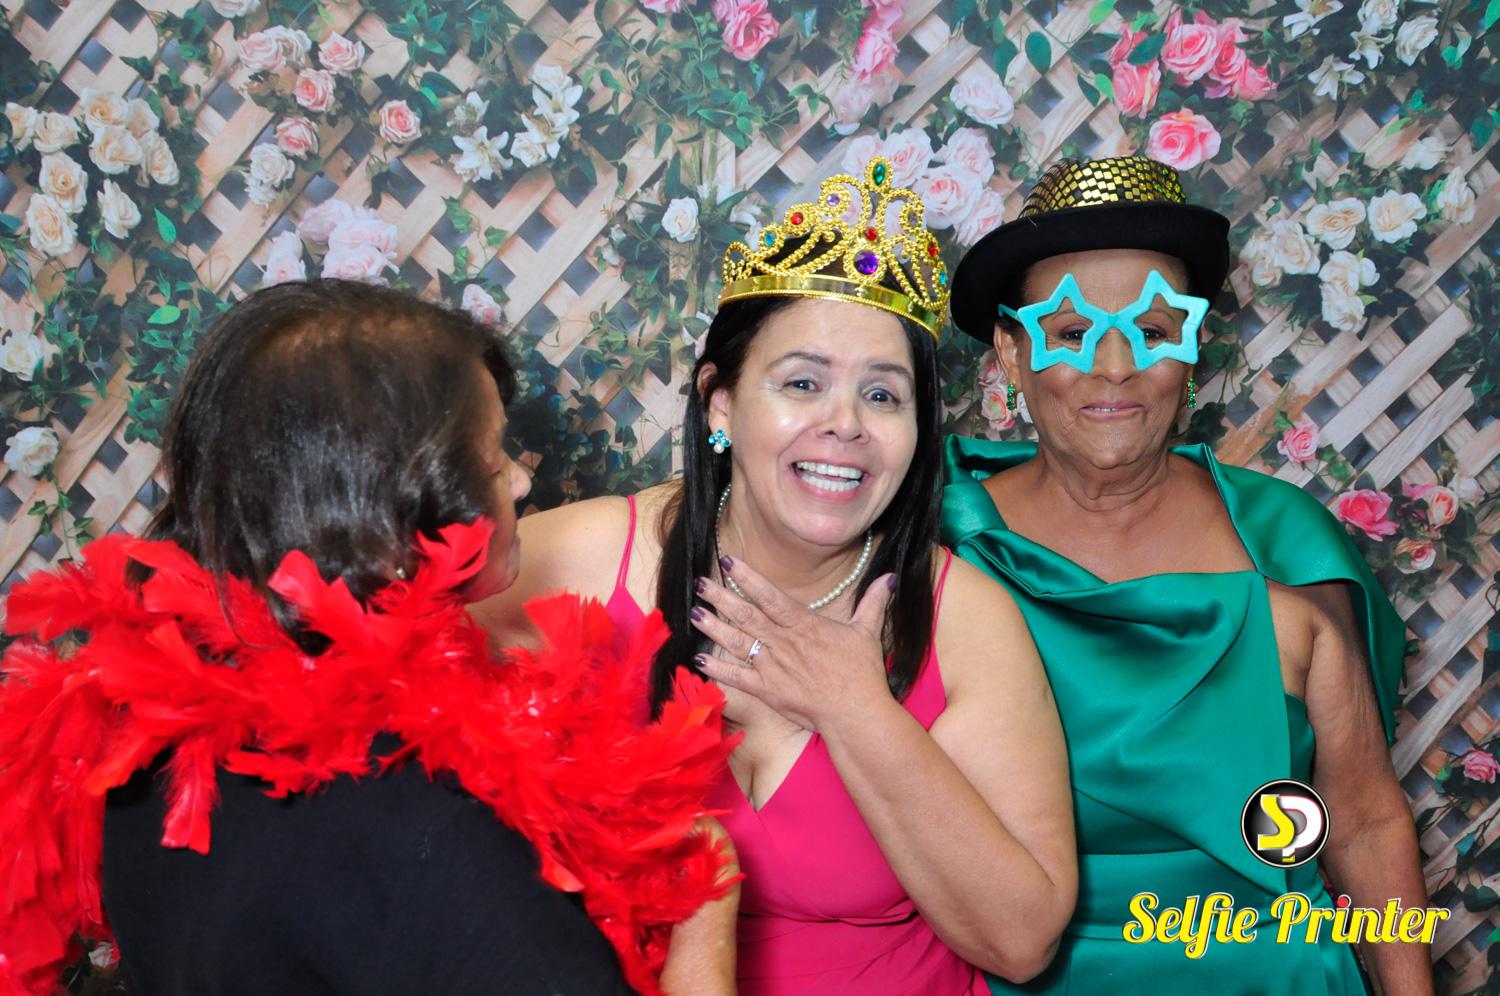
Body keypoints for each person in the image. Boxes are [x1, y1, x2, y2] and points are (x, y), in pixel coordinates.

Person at [0, 279, 739, 996]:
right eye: (490, 457)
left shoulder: (143, 735)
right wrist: (705, 914)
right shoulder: (429, 823)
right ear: (382, 508)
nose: (519, 481)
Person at [475, 157, 1077, 995]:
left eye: (883, 396)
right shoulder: (583, 561)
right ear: (721, 403)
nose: (845, 424)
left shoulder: (966, 619)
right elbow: (370, 663)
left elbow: (1021, 942)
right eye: (802, 383)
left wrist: (855, 710)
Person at [943, 155, 1431, 994]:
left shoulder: (1284, 542)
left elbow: (1359, 819)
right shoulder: (941, 540)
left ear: (1193, 347)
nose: (1115, 365)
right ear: (1011, 352)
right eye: (1072, 333)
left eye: (1154, 328)